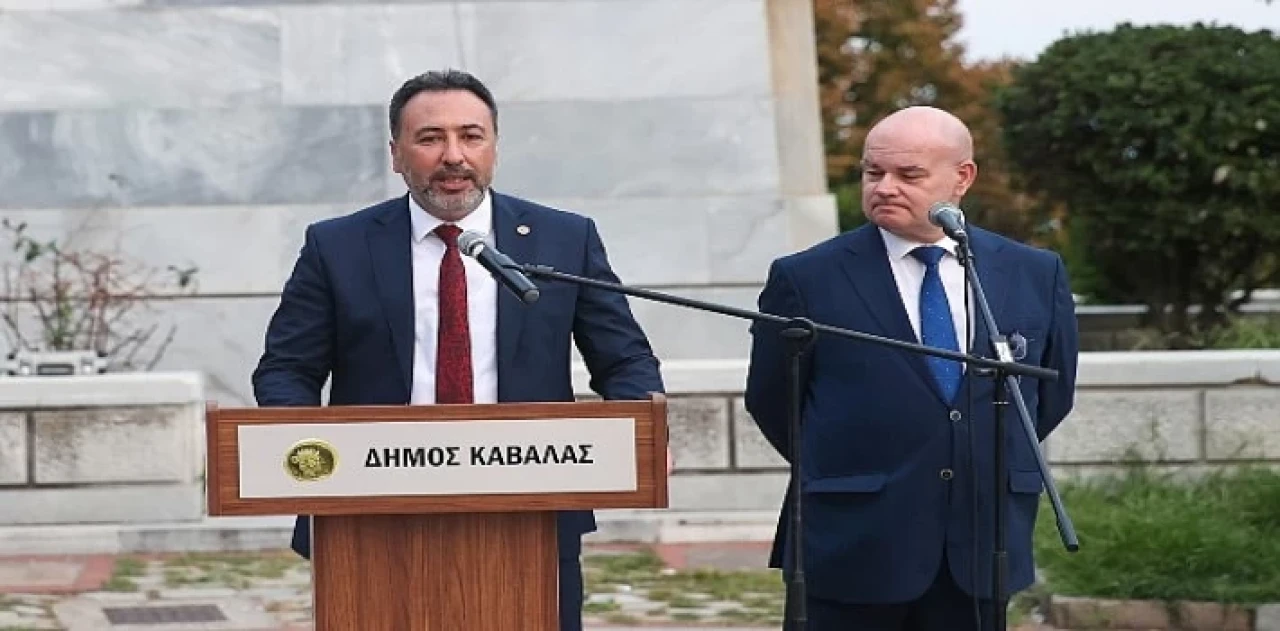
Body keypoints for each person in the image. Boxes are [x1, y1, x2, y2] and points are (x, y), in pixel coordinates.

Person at [251, 69, 665, 631]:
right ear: (396, 154)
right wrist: (298, 447)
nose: (453, 156)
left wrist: (642, 416)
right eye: (430, 139)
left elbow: (623, 359)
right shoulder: (337, 246)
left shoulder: (563, 239)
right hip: (372, 512)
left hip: (530, 509)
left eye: (471, 136)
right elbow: (287, 368)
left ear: (494, 147)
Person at [743, 106, 1079, 630]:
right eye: (873, 172)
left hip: (979, 545)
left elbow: (1049, 395)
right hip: (852, 543)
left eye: (909, 175)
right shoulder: (807, 278)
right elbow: (772, 400)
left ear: (962, 177)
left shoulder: (1032, 273)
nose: (885, 187)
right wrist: (856, 470)